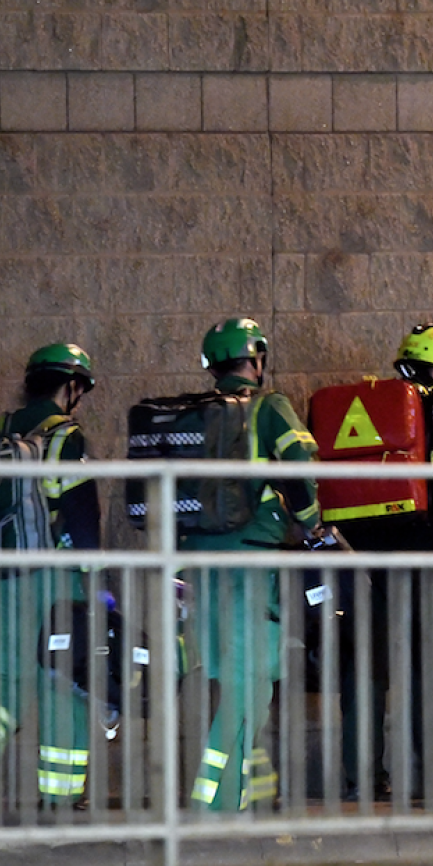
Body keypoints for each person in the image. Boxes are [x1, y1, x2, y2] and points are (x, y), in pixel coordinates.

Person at [182, 317, 324, 810]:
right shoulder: (268, 406)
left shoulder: (193, 414)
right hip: (250, 559)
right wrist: (311, 523)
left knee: (243, 682)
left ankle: (240, 797)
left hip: (197, 562)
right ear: (256, 358)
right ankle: (211, 803)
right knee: (249, 684)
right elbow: (301, 469)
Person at [339, 323, 433, 798]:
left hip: (362, 558)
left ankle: (361, 778)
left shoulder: (370, 405)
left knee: (367, 668)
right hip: (426, 556)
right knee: (428, 665)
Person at [0, 343, 102, 807]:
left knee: (4, 679)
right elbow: (82, 516)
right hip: (51, 581)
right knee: (63, 687)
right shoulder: (66, 436)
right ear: (72, 386)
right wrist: (93, 582)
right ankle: (60, 799)